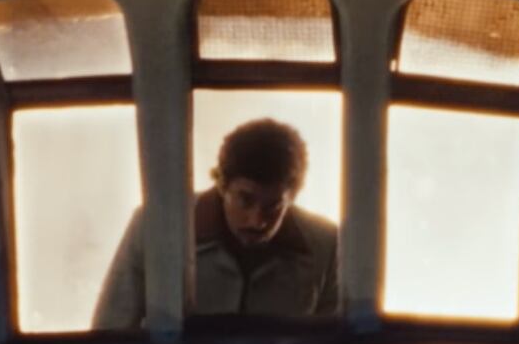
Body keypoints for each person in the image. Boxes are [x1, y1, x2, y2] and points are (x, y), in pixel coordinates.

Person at [91, 118, 342, 329]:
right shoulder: (155, 228)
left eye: (273, 207)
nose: (256, 221)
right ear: (222, 184)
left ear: (292, 197)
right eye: (245, 200)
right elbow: (111, 332)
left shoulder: (326, 245)